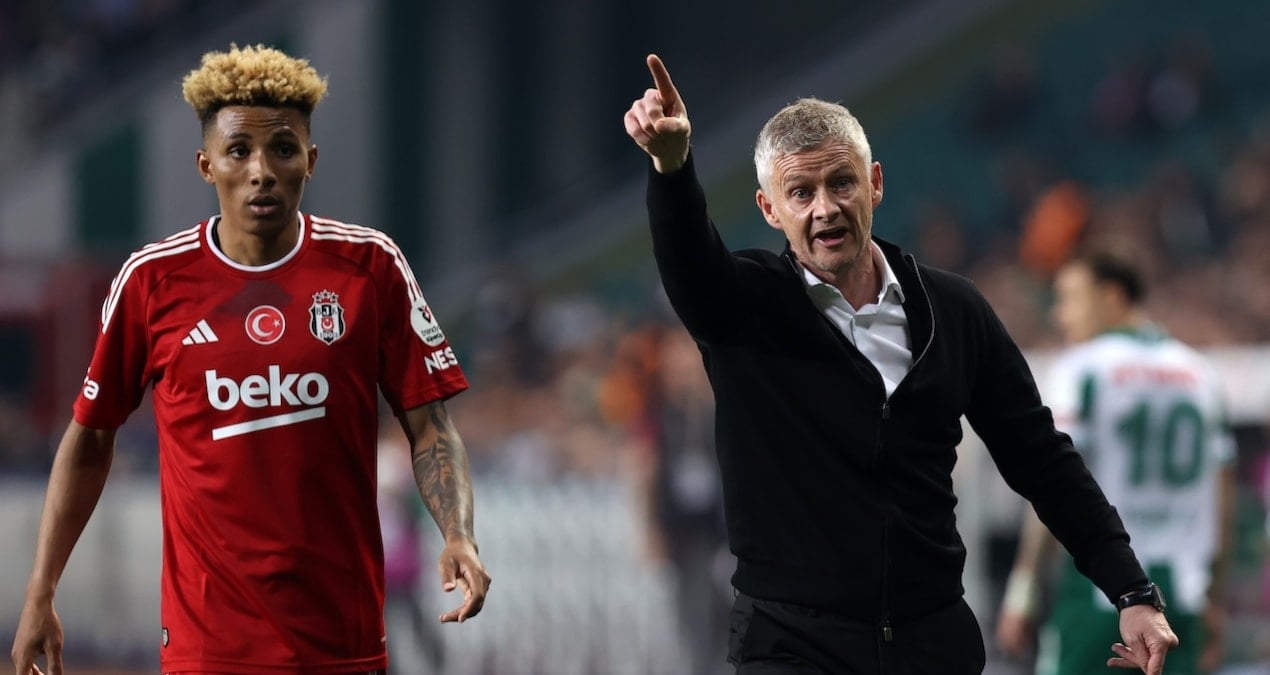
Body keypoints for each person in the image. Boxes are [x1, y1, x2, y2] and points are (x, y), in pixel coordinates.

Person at [622, 53, 1178, 674]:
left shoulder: (954, 310)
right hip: (793, 644)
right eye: (801, 193)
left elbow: (1041, 458)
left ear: (876, 183)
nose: (825, 208)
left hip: (931, 641)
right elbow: (689, 265)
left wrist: (1130, 589)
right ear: (769, 209)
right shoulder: (744, 306)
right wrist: (672, 168)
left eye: (841, 183)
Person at [11, 44, 490, 675]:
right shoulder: (152, 282)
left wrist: (458, 534)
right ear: (206, 165)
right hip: (207, 645)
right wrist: (41, 589)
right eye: (238, 151)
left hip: (342, 640)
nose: (261, 170)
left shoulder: (370, 267)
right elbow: (91, 436)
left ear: (310, 160)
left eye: (282, 149)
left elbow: (430, 427)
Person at [996, 252, 1234, 674]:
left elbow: (1053, 477)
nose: (1059, 314)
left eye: (1070, 298)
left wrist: (1024, 587)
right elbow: (1221, 493)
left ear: (1111, 296)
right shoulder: (1200, 373)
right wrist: (1215, 596)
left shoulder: (1083, 369)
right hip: (1185, 594)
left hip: (1103, 589)